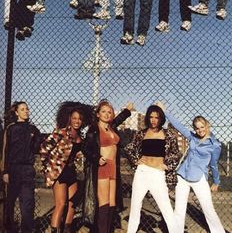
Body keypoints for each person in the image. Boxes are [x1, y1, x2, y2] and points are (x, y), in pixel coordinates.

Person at [157, 101, 226, 233]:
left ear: (207, 125)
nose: (200, 130)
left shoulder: (214, 145)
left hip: (199, 178)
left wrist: (216, 182)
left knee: (208, 210)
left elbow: (213, 165)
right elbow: (179, 125)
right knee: (179, 210)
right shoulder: (192, 138)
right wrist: (164, 111)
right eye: (197, 128)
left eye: (202, 127)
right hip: (183, 176)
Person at [123, 105, 181, 233]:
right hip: (142, 172)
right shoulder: (141, 133)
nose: (154, 120)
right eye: (151, 117)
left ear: (161, 119)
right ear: (148, 118)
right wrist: (135, 161)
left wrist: (167, 165)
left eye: (157, 117)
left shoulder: (168, 134)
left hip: (157, 174)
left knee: (166, 209)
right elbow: (128, 148)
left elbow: (176, 154)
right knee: (135, 207)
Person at [40, 101, 94, 233]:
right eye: (74, 118)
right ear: (69, 118)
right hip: (59, 173)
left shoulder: (80, 136)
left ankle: (67, 229)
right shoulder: (61, 132)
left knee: (72, 204)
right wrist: (47, 167)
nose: (77, 121)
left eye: (79, 119)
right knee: (61, 204)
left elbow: (73, 153)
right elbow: (43, 149)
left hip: (71, 172)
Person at [85, 100, 133, 233]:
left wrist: (127, 111)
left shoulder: (111, 127)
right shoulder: (94, 129)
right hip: (102, 167)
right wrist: (96, 158)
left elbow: (118, 119)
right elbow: (86, 148)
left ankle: (107, 230)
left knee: (112, 203)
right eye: (103, 112)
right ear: (98, 114)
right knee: (104, 203)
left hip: (113, 168)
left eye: (109, 112)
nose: (107, 114)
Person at [1, 101, 41, 233]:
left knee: (27, 203)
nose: (26, 111)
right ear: (17, 112)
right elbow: (5, 151)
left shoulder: (33, 129)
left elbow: (37, 148)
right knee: (10, 202)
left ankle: (27, 230)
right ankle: (9, 228)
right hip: (13, 169)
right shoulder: (11, 128)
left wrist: (35, 140)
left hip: (27, 170)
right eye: (23, 109)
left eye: (27, 109)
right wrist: (5, 171)